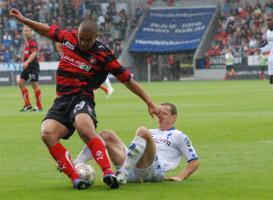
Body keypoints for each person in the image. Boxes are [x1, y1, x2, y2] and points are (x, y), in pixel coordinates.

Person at [9, 8, 162, 190]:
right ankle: (75, 178)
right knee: (47, 133)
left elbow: (128, 81)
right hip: (61, 100)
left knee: (84, 127)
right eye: (81, 38)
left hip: (82, 97)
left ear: (96, 36)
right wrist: (23, 19)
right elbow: (46, 30)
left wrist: (149, 102)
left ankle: (108, 173)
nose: (82, 43)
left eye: (87, 40)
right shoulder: (69, 37)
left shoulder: (104, 54)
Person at [74, 103, 199, 184]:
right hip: (132, 168)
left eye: (164, 114)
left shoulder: (179, 136)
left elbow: (194, 162)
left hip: (153, 172)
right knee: (106, 134)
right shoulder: (151, 132)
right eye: (159, 113)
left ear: (174, 117)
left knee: (142, 130)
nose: (160, 117)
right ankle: (76, 163)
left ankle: (122, 174)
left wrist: (180, 177)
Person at [19, 25, 43, 112]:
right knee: (20, 83)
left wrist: (27, 62)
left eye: (28, 30)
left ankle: (39, 107)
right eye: (25, 30)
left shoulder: (33, 41)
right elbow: (26, 53)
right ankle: (28, 105)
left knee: (34, 85)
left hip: (32, 65)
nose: (26, 32)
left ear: (31, 32)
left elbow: (34, 53)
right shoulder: (26, 42)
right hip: (27, 66)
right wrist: (23, 60)